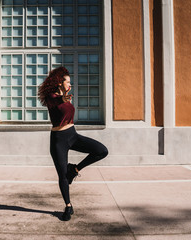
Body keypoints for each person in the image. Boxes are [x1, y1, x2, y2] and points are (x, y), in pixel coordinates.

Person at [38, 66, 108, 221]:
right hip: (58, 140)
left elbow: (64, 104)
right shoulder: (51, 97)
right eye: (68, 82)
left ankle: (74, 169)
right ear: (59, 82)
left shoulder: (67, 96)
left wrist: (65, 98)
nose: (70, 84)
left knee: (102, 151)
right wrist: (62, 99)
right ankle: (68, 206)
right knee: (62, 176)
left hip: (72, 135)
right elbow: (55, 101)